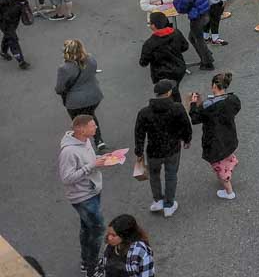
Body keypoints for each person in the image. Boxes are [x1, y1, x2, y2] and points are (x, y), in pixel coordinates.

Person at [58, 114, 120, 277]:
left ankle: (86, 262)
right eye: (92, 125)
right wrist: (93, 165)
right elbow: (67, 178)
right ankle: (92, 269)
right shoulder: (68, 152)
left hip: (91, 191)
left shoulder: (85, 141)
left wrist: (102, 159)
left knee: (87, 228)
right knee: (98, 230)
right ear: (80, 129)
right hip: (83, 196)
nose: (96, 127)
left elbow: (89, 162)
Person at [133, 78, 192, 218]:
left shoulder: (144, 112)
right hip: (173, 149)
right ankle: (169, 204)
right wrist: (187, 139)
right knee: (171, 175)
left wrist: (139, 151)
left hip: (153, 151)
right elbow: (186, 125)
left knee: (154, 176)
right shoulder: (177, 108)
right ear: (169, 92)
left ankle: (158, 200)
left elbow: (139, 133)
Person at [188, 71, 240, 200]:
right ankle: (231, 163)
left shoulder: (207, 105)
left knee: (219, 166)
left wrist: (193, 104)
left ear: (214, 86)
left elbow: (195, 118)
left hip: (214, 141)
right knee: (226, 154)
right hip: (229, 135)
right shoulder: (233, 99)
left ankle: (229, 192)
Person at [55, 39, 106, 151]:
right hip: (94, 97)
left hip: (75, 102)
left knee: (78, 122)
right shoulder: (91, 60)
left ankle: (83, 145)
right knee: (90, 115)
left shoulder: (64, 68)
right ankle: (99, 140)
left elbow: (59, 89)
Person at [139, 11, 188, 101]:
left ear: (153, 26)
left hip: (162, 73)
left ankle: (174, 109)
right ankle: (177, 106)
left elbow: (143, 62)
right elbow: (185, 47)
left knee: (166, 95)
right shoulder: (176, 33)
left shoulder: (150, 43)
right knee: (174, 89)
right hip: (179, 69)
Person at [173, 0, 213, 72]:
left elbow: (181, 9)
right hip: (206, 15)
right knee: (193, 38)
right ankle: (206, 56)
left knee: (198, 40)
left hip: (197, 19)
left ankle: (207, 62)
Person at [0, 0, 30, 69]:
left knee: (8, 35)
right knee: (13, 38)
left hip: (15, 16)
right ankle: (21, 61)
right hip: (3, 19)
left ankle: (3, 51)